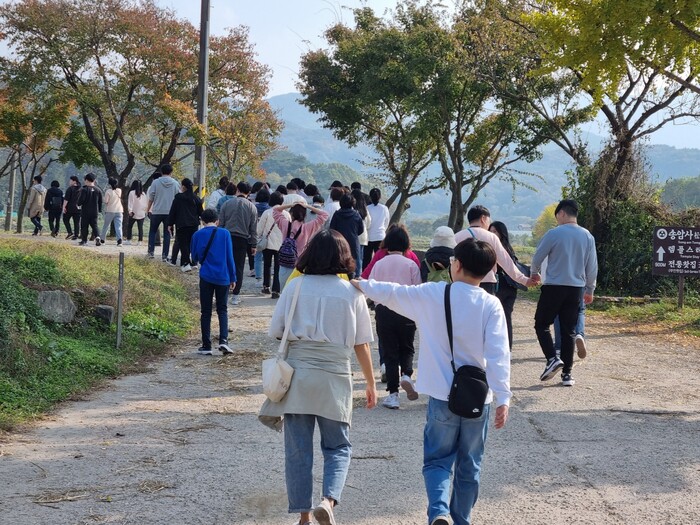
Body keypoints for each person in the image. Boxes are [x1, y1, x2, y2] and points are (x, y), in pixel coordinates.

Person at [353, 237, 511, 525]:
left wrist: (361, 284)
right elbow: (498, 355)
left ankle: (439, 511)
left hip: (441, 395)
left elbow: (394, 293)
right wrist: (504, 397)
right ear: (489, 270)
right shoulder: (492, 305)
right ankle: (461, 519)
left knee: (437, 460)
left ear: (457, 265)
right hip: (478, 398)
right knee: (470, 465)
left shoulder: (434, 294)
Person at [258, 229, 377, 525]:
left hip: (298, 376)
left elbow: (277, 331)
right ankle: (328, 501)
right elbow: (362, 343)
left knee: (298, 451)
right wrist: (371, 383)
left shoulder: (294, 287)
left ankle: (303, 517)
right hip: (335, 376)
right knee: (338, 446)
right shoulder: (352, 293)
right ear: (345, 256)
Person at [530, 199, 598, 387]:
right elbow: (592, 266)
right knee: (569, 331)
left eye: (557, 216)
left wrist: (534, 273)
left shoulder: (554, 233)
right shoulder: (587, 236)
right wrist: (590, 289)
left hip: (554, 286)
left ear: (561, 213)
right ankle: (567, 374)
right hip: (576, 289)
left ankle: (552, 358)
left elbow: (537, 257)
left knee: (541, 324)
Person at [367, 225, 421, 409]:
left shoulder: (379, 264)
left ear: (387, 243)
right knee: (407, 347)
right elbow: (417, 290)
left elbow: (371, 289)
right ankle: (406, 375)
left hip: (384, 311)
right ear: (406, 243)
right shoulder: (411, 264)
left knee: (389, 352)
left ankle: (393, 395)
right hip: (406, 311)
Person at [454, 205, 534, 294]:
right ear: (483, 218)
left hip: (462, 282)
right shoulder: (492, 237)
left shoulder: (457, 237)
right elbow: (506, 262)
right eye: (489, 220)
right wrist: (524, 280)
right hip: (487, 282)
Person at [190, 208, 236, 356]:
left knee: (206, 311)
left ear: (202, 221)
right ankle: (224, 340)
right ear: (217, 221)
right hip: (223, 277)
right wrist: (233, 277)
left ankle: (206, 345)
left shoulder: (197, 235)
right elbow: (229, 257)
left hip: (206, 276)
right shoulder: (225, 233)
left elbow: (194, 257)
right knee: (222, 309)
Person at [272, 200, 329, 289]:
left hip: (285, 262)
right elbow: (325, 215)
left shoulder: (285, 224)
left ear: (291, 214)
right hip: (300, 264)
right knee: (297, 292)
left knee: (284, 291)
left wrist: (291, 204)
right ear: (305, 215)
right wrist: (308, 206)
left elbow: (275, 210)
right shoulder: (307, 227)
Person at [218, 181, 258, 305]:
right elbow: (253, 228)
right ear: (249, 192)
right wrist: (253, 244)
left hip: (227, 237)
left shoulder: (226, 204)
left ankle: (224, 293)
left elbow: (221, 223)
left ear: (237, 190)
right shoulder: (252, 207)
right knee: (239, 267)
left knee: (225, 265)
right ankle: (236, 295)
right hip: (242, 239)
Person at [488, 221, 525, 350]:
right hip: (510, 286)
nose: (492, 234)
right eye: (490, 231)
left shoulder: (495, 249)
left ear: (501, 233)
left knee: (498, 318)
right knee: (506, 317)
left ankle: (502, 348)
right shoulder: (509, 248)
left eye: (495, 231)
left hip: (501, 286)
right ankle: (507, 349)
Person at [168, 178, 203, 272]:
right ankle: (193, 262)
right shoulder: (196, 198)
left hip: (181, 224)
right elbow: (201, 212)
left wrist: (170, 224)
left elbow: (173, 211)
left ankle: (186, 263)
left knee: (183, 244)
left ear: (183, 187)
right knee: (191, 244)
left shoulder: (178, 198)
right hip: (194, 225)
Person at [147, 164, 179, 261]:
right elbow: (178, 197)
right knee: (167, 233)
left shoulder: (156, 182)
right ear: (171, 172)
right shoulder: (175, 183)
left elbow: (151, 197)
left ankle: (151, 252)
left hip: (156, 211)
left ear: (161, 171)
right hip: (169, 212)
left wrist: (148, 209)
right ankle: (165, 255)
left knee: (152, 231)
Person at [257, 191, 286, 298]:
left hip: (268, 243)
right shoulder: (286, 214)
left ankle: (266, 286)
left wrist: (258, 237)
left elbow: (259, 228)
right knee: (278, 267)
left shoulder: (267, 212)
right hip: (281, 244)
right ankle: (276, 290)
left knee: (267, 265)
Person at [330, 193, 364, 278]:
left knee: (339, 261)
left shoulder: (337, 214)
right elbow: (361, 229)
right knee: (353, 263)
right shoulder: (356, 215)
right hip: (353, 242)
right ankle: (354, 278)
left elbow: (332, 229)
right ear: (353, 203)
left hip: (338, 242)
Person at [364, 188, 390, 269]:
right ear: (380, 197)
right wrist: (383, 230)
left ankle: (366, 274)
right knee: (381, 259)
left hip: (369, 237)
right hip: (380, 236)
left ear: (370, 197)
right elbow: (387, 222)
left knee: (366, 260)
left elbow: (366, 222)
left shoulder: (367, 208)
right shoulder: (384, 208)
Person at [77, 173, 102, 246]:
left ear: (86, 180)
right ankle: (97, 237)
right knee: (95, 225)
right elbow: (100, 202)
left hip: (85, 211)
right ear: (94, 180)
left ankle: (84, 240)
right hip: (95, 211)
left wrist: (78, 204)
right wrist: (99, 210)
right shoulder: (98, 190)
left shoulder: (84, 190)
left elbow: (81, 200)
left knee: (84, 226)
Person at [351, 188, 371, 275]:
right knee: (360, 257)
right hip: (363, 236)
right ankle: (359, 274)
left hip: (354, 235)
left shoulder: (352, 210)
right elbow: (369, 223)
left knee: (353, 257)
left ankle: (354, 273)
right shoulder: (365, 210)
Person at [253, 187, 271, 281]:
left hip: (257, 234)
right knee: (268, 258)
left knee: (258, 257)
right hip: (268, 235)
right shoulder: (269, 209)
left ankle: (258, 277)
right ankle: (267, 278)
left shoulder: (254, 207)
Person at [100, 178, 124, 246]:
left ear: (110, 184)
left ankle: (102, 240)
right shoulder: (119, 190)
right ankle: (119, 241)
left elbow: (106, 201)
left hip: (110, 210)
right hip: (119, 210)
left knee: (106, 226)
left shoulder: (108, 191)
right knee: (118, 226)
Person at [126, 180, 148, 245]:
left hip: (133, 212)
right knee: (140, 228)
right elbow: (145, 204)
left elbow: (130, 203)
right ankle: (140, 241)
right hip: (141, 213)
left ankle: (129, 240)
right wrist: (145, 211)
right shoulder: (143, 194)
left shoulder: (131, 193)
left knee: (130, 226)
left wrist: (130, 211)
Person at [62, 175, 81, 240]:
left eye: (70, 180)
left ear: (74, 181)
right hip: (78, 208)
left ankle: (70, 232)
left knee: (65, 219)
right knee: (76, 222)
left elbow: (66, 199)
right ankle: (76, 235)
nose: (69, 182)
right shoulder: (81, 189)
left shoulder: (70, 189)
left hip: (69, 208)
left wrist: (64, 207)